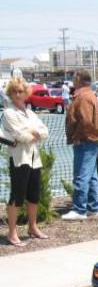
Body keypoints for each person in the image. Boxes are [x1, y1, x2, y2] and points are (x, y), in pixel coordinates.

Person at [1, 78, 49, 245]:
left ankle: (32, 227)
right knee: (17, 196)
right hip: (19, 159)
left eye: (21, 91)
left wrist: (33, 133)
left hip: (35, 158)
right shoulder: (8, 113)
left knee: (34, 196)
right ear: (10, 93)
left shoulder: (31, 113)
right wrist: (34, 133)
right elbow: (19, 135)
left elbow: (45, 132)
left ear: (26, 93)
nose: (18, 94)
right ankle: (12, 232)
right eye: (14, 91)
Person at [62, 70, 98, 221]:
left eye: (74, 77)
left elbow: (85, 121)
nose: (72, 80)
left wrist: (78, 137)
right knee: (91, 176)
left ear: (79, 79)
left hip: (85, 141)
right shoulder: (89, 95)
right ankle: (94, 208)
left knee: (81, 175)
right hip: (91, 141)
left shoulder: (83, 97)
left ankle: (79, 209)